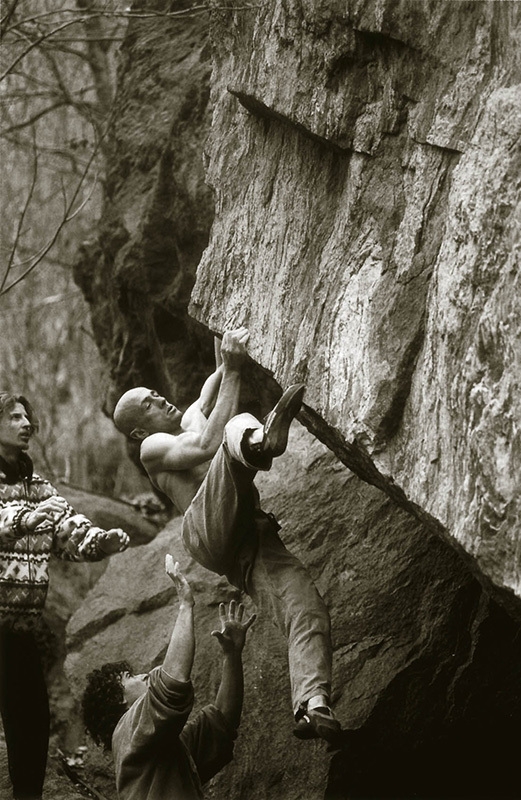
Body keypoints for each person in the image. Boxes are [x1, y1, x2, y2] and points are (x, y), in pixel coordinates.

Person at [113, 327, 341, 744]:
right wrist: (234, 373)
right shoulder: (153, 448)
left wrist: (224, 331)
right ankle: (257, 443)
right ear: (137, 431)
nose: (159, 397)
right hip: (206, 530)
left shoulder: (189, 416)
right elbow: (204, 443)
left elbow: (216, 375)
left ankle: (312, 705)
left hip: (247, 545)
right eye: (148, 402)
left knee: (305, 607)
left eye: (153, 392)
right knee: (232, 426)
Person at [0, 392, 130, 800]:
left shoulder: (37, 486)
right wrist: (23, 519)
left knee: (33, 724)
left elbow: (67, 527)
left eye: (27, 417)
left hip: (19, 630)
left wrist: (99, 542)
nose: (26, 424)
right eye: (14, 417)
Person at [82, 556, 255, 799]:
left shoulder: (165, 747)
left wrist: (232, 655)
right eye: (129, 677)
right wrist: (185, 604)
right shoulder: (125, 733)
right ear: (119, 702)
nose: (143, 676)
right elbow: (171, 686)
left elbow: (222, 723)